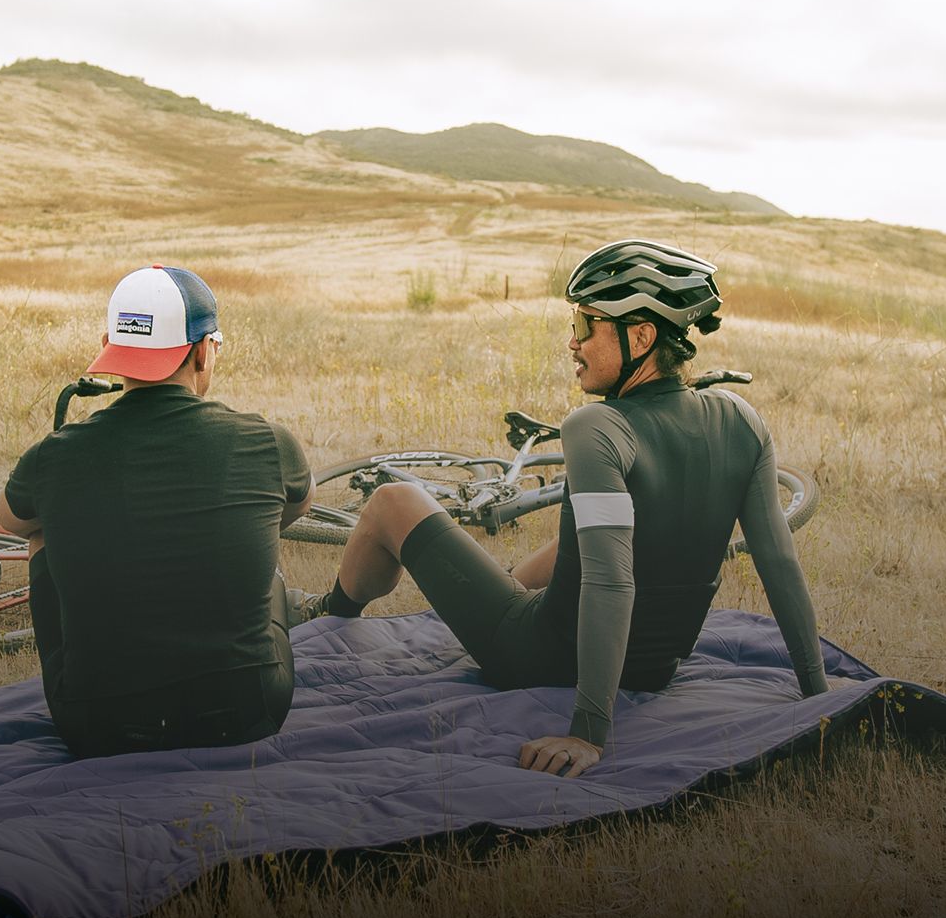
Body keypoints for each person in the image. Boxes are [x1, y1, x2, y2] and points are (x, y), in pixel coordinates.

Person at [304, 239, 829, 778]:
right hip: (654, 668)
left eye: (586, 324)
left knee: (393, 500)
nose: (572, 342)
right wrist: (818, 693)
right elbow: (779, 562)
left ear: (641, 336)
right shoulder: (741, 419)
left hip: (540, 657)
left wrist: (587, 732)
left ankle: (329, 609)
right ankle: (502, 585)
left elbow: (610, 581)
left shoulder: (597, 425)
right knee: (585, 540)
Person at [0, 265, 315, 758]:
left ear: (111, 347)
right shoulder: (268, 443)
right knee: (260, 522)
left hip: (96, 728)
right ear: (204, 350)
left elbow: (9, 520)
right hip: (247, 712)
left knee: (41, 530)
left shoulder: (53, 456)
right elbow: (299, 505)